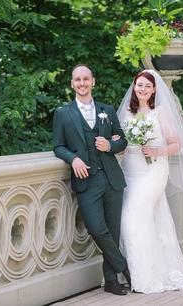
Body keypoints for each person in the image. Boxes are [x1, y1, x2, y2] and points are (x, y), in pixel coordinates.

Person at [53, 64, 131, 295]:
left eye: (86, 79)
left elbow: (122, 140)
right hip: (87, 181)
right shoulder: (63, 113)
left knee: (113, 231)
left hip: (112, 180)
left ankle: (112, 281)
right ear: (72, 84)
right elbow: (58, 146)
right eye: (77, 79)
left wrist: (110, 145)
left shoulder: (107, 109)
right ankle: (124, 267)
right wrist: (73, 159)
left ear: (93, 81)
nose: (82, 83)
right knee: (97, 229)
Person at [117, 69, 183, 293]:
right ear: (134, 87)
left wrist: (156, 150)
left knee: (132, 216)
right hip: (129, 172)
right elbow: (121, 144)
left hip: (153, 172)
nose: (142, 89)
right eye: (139, 85)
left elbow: (175, 144)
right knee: (147, 220)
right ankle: (143, 270)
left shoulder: (160, 112)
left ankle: (145, 278)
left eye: (146, 86)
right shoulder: (127, 114)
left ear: (154, 90)